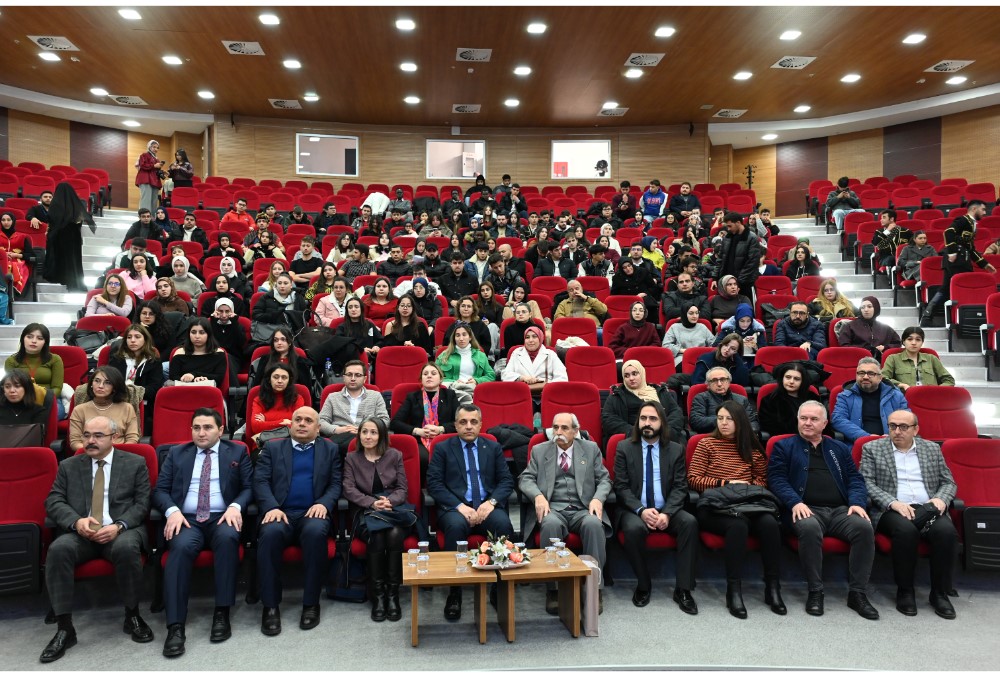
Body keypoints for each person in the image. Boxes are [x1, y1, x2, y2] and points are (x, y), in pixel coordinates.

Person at [41, 416, 152, 663]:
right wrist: (76, 522)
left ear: (114, 438)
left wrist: (119, 526)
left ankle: (132, 615)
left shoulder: (135, 463)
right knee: (58, 549)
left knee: (126, 548)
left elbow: (142, 504)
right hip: (82, 533)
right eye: (87, 434)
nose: (90, 441)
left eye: (98, 436)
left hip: (119, 530)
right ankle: (64, 627)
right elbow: (54, 501)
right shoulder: (69, 465)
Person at [768, 401, 879, 620]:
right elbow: (777, 479)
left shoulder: (838, 448)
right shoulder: (784, 446)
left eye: (813, 419)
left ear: (825, 423)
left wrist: (857, 502)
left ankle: (857, 593)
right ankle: (815, 591)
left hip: (839, 510)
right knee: (808, 528)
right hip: (804, 509)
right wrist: (795, 502)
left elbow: (855, 479)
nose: (807, 423)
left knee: (864, 527)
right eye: (803, 418)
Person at [154, 408, 252, 657]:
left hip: (222, 515)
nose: (201, 432)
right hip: (187, 519)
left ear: (221, 430)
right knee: (181, 548)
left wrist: (235, 506)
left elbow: (249, 487)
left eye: (207, 427)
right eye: (196, 427)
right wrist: (172, 511)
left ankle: (222, 612)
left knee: (229, 538)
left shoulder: (238, 451)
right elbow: (160, 490)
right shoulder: (177, 453)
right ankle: (175, 626)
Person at [688, 401, 785, 618]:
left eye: (729, 419)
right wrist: (726, 484)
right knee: (738, 525)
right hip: (715, 507)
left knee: (770, 524)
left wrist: (745, 488)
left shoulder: (752, 447)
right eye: (720, 418)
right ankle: (734, 589)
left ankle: (773, 587)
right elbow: (694, 480)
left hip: (749, 504)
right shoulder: (706, 444)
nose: (723, 423)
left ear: (739, 421)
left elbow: (762, 480)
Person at [859, 410, 959, 619]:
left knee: (946, 532)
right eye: (892, 426)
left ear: (916, 429)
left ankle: (939, 593)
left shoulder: (931, 449)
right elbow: (866, 483)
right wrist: (892, 503)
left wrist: (940, 499)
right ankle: (906, 591)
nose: (897, 431)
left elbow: (948, 482)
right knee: (905, 532)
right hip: (892, 508)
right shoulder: (872, 448)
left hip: (928, 506)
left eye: (904, 427)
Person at [253, 407, 341, 635]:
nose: (302, 424)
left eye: (308, 420)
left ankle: (311, 603)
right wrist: (271, 507)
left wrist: (324, 503)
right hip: (280, 512)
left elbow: (335, 484)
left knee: (315, 533)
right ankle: (270, 606)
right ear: (290, 424)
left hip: (313, 512)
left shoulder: (330, 449)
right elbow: (260, 481)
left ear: (318, 428)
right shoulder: (273, 447)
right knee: (270, 534)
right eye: (298, 419)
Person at [426, 404, 515, 621]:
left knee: (503, 525)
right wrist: (460, 506)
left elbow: (506, 481)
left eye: (473, 422)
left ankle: (498, 587)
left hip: (486, 506)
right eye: (463, 422)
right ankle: (454, 592)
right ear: (455, 425)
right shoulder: (443, 448)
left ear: (481, 425)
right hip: (456, 507)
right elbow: (434, 484)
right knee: (455, 527)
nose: (468, 426)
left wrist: (491, 502)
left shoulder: (492, 447)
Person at [520, 412, 612, 614]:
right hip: (553, 507)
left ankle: (594, 588)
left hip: (583, 507)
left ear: (576, 431)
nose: (558, 432)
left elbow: (605, 479)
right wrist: (538, 496)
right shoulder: (539, 450)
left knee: (594, 525)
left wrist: (597, 498)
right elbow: (525, 479)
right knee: (550, 524)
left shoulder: (590, 449)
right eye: (555, 427)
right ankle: (553, 589)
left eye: (564, 428)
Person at [612, 401, 698, 611]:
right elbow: (621, 487)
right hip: (635, 509)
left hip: (667, 508)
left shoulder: (676, 449)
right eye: (643, 418)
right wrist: (641, 511)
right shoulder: (624, 447)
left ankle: (683, 589)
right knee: (632, 529)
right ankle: (643, 584)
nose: (647, 423)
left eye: (652, 419)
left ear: (662, 422)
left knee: (690, 523)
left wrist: (667, 513)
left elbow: (680, 487)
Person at [343, 417, 411, 623]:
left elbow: (402, 488)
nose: (368, 436)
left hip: (393, 510)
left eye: (373, 432)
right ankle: (378, 595)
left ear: (381, 436)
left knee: (395, 534)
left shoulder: (394, 455)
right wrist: (372, 503)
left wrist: (389, 501)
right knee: (378, 536)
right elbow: (348, 489)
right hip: (366, 512)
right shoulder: (351, 459)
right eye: (364, 432)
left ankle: (393, 593)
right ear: (359, 434)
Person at [922, 200, 997, 326]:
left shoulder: (972, 224)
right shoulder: (963, 220)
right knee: (947, 288)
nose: (985, 213)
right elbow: (948, 232)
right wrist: (952, 252)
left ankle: (931, 316)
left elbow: (970, 248)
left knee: (947, 288)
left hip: (963, 260)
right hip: (955, 261)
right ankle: (928, 315)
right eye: (983, 209)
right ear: (974, 209)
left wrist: (984, 264)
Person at [390, 362, 460, 479]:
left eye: (433, 373)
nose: (429, 376)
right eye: (425, 374)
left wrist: (441, 429)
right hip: (420, 441)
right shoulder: (412, 397)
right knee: (422, 457)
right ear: (421, 379)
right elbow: (395, 423)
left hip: (445, 439)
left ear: (441, 378)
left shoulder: (450, 395)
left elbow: (460, 422)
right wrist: (417, 431)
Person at [602, 359, 686, 443]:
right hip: (633, 439)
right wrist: (634, 431)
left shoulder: (659, 391)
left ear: (642, 373)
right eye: (627, 376)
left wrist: (666, 430)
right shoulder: (617, 395)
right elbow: (608, 418)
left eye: (635, 374)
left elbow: (676, 412)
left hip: (664, 436)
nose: (631, 378)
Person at [832, 356, 910, 443]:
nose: (865, 377)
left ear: (880, 378)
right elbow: (838, 419)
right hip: (859, 443)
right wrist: (866, 437)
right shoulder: (845, 396)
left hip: (891, 442)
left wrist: (891, 437)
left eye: (871, 373)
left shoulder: (895, 395)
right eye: (861, 373)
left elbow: (907, 419)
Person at [318, 359, 389, 449]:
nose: (353, 378)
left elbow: (385, 420)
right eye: (349, 374)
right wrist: (337, 429)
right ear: (343, 378)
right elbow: (321, 421)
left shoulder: (375, 396)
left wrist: (364, 429)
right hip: (339, 436)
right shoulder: (332, 397)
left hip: (367, 437)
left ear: (365, 379)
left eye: (358, 375)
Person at [67, 365, 140, 450]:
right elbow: (75, 443)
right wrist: (96, 453)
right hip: (89, 455)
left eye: (107, 382)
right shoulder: (79, 410)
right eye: (97, 381)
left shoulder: (127, 408)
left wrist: (113, 455)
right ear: (91, 384)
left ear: (115, 387)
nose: (100, 386)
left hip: (120, 456)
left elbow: (132, 439)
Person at [108, 323, 163, 434]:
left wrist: (132, 392)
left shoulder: (153, 362)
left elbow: (154, 388)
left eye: (137, 337)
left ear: (145, 340)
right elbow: (109, 382)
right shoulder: (116, 359)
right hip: (116, 401)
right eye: (129, 337)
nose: (132, 340)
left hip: (143, 404)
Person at [5, 323, 64, 417]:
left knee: (49, 416)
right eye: (29, 337)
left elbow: (57, 388)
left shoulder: (55, 359)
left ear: (45, 342)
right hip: (21, 400)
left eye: (40, 338)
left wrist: (43, 398)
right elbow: (11, 387)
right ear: (22, 339)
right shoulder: (11, 361)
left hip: (48, 399)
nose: (34, 341)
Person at [43, 182, 93, 292]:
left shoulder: (55, 205)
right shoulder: (76, 205)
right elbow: (80, 221)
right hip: (73, 237)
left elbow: (51, 220)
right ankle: (74, 281)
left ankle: (60, 277)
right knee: (73, 260)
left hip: (58, 236)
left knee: (60, 257)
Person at [758, 362, 822, 437]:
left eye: (796, 379)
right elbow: (770, 427)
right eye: (788, 377)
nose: (791, 381)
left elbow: (822, 422)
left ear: (802, 381)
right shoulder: (769, 400)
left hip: (813, 439)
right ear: (782, 378)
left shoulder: (813, 398)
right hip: (785, 442)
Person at [689, 366, 759, 435]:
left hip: (738, 438)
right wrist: (726, 420)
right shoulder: (701, 398)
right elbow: (696, 422)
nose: (719, 384)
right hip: (712, 437)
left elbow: (753, 423)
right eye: (714, 380)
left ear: (729, 382)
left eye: (722, 379)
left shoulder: (742, 399)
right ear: (708, 385)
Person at [248, 364, 305, 448]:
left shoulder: (297, 399)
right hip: (264, 444)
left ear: (289, 380)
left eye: (284, 377)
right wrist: (283, 422)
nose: (279, 381)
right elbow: (256, 427)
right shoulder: (259, 400)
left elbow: (299, 425)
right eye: (276, 377)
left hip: (290, 444)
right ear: (269, 379)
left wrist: (266, 422)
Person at [881, 326, 955, 390]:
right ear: (903, 342)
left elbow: (949, 380)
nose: (914, 343)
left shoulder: (931, 358)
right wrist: (901, 385)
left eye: (918, 340)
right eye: (910, 339)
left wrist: (936, 390)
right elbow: (883, 378)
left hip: (931, 398)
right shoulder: (893, 358)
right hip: (905, 398)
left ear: (922, 342)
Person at [436, 323, 494, 404]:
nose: (461, 338)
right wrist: (454, 381)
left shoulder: (480, 355)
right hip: (452, 391)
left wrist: (477, 381)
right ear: (454, 338)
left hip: (473, 390)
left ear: (470, 337)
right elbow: (436, 377)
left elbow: (491, 376)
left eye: (464, 335)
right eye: (458, 335)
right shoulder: (444, 355)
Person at [501, 325, 567, 394]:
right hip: (521, 394)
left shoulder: (551, 354)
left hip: (546, 395)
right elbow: (505, 375)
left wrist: (547, 387)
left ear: (540, 338)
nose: (530, 340)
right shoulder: (516, 353)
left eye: (534, 336)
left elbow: (562, 377)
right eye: (527, 337)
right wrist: (521, 378)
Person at [713, 212, 762, 300]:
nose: (728, 229)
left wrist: (738, 282)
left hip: (744, 284)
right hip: (726, 281)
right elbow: (720, 259)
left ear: (738, 223)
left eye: (730, 226)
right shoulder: (727, 237)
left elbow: (752, 263)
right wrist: (715, 277)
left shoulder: (752, 238)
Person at [838, 296, 901, 360]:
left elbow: (897, 343)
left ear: (876, 308)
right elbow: (844, 346)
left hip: (878, 362)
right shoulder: (849, 326)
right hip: (856, 361)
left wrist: (885, 347)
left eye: (869, 306)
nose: (866, 310)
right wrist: (865, 349)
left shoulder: (885, 328)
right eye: (863, 307)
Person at [169, 317, 228, 385]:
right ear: (189, 334)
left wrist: (195, 375)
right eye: (193, 332)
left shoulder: (218, 353)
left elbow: (219, 378)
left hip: (208, 391)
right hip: (184, 389)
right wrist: (189, 379)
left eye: (202, 333)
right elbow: (173, 377)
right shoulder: (179, 353)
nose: (197, 336)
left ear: (208, 334)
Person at [251, 326, 312, 391]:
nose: (279, 343)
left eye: (283, 339)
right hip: (268, 395)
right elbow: (257, 385)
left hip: (293, 396)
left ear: (289, 342)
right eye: (276, 340)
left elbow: (305, 389)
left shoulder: (300, 362)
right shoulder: (265, 360)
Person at [0, 211, 33, 294]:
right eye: (3, 220)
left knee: (15, 266)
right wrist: (3, 254)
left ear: (13, 221)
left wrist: (17, 255)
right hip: (1, 261)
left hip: (18, 261)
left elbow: (31, 255)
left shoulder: (22, 237)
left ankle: (12, 291)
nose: (6, 222)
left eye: (8, 220)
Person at [135, 139, 164, 214]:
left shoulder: (157, 159)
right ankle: (144, 218)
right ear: (149, 147)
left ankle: (152, 219)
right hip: (145, 179)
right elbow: (143, 165)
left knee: (154, 201)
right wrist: (154, 165)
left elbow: (156, 170)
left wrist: (163, 172)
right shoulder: (144, 155)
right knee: (146, 200)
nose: (156, 149)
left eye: (157, 148)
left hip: (155, 181)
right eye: (154, 147)